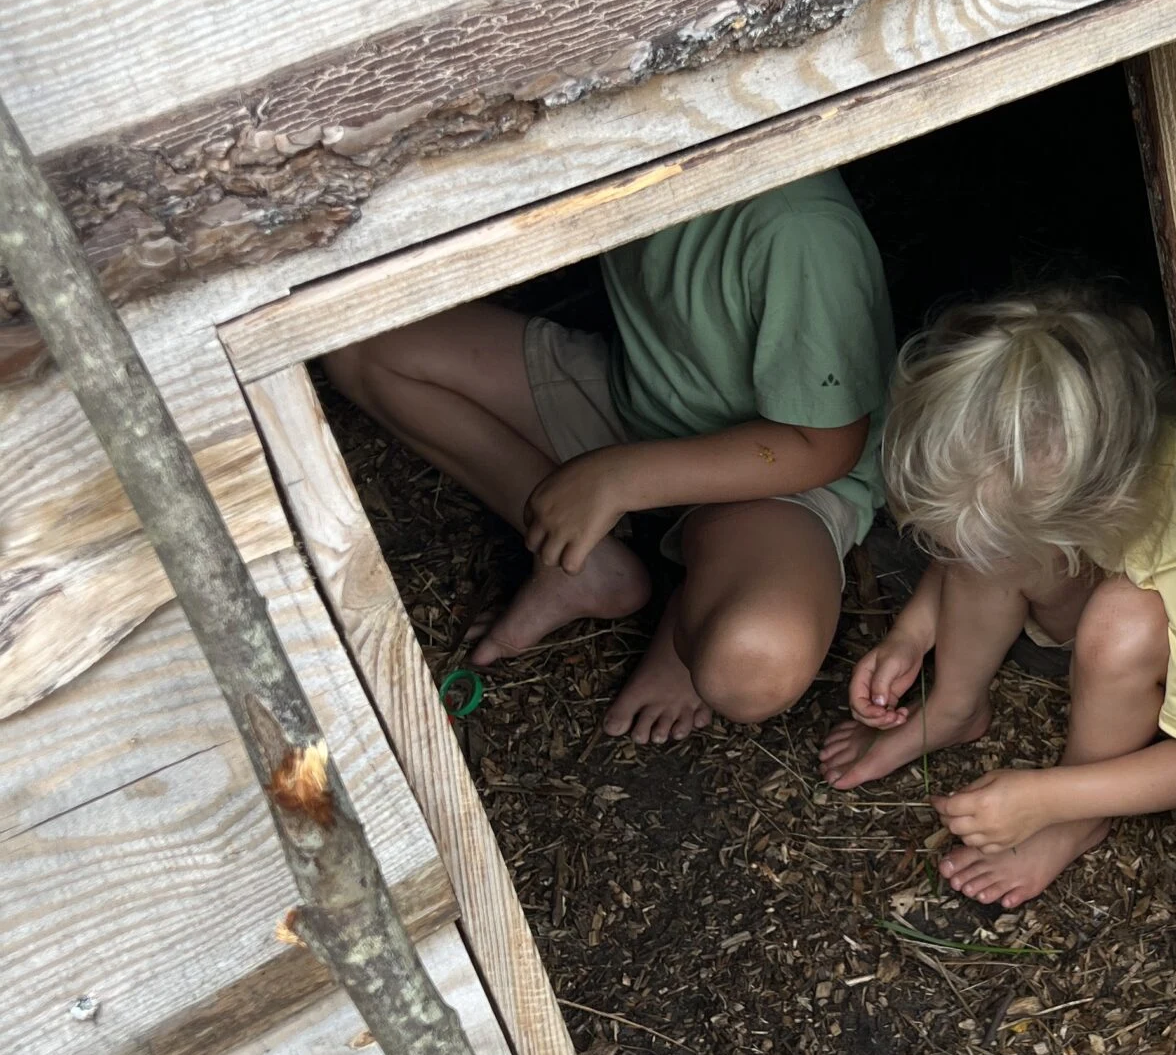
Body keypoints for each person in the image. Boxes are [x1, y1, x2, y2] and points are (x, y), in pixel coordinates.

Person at [324, 173, 894, 743]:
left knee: (751, 664)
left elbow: (828, 445)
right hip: (639, 397)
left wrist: (622, 478)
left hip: (778, 475)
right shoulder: (617, 159)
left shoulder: (798, 230)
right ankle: (581, 561)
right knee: (359, 346)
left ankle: (692, 616)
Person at [820, 287, 1176, 905]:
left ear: (1091, 516)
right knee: (1009, 545)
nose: (959, 559)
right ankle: (955, 707)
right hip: (1089, 578)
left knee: (1123, 624)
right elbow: (989, 547)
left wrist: (1047, 797)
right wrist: (913, 633)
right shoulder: (1069, 452)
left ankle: (1080, 814)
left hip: (1162, 656)